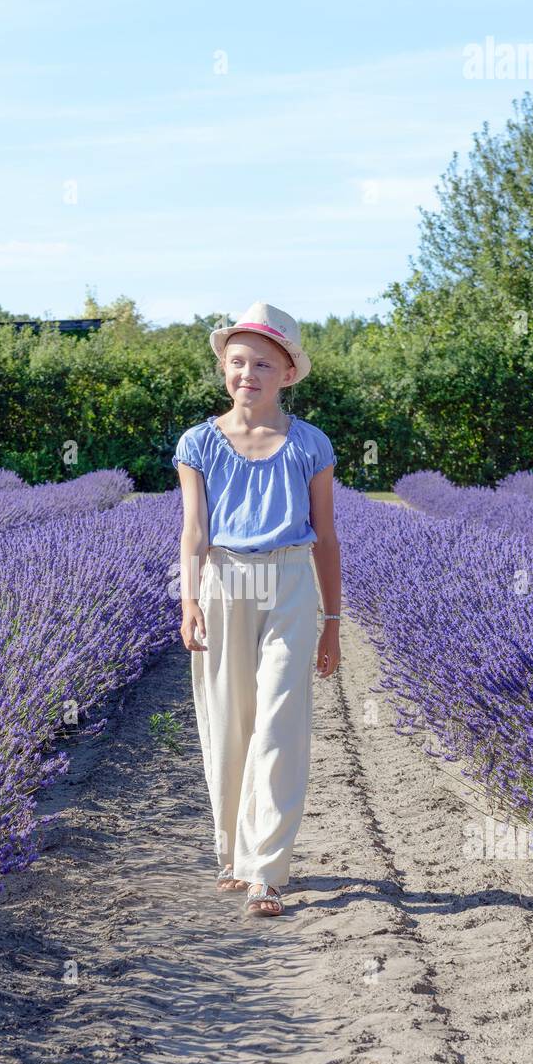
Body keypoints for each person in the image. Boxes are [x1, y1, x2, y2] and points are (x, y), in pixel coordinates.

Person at [172, 301, 341, 919]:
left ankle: (267, 870)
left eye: (262, 363)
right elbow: (194, 532)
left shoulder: (310, 444)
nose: (247, 373)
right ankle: (231, 856)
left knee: (278, 723)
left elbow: (326, 535)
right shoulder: (198, 443)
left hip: (291, 582)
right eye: (237, 361)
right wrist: (188, 599)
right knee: (227, 720)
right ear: (224, 367)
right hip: (224, 583)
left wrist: (333, 621)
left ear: (287, 373)